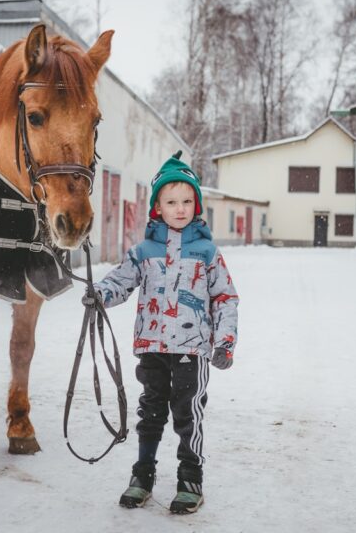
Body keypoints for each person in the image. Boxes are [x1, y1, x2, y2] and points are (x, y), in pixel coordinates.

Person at [85, 151, 239, 514]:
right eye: (171, 202)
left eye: (187, 201)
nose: (180, 208)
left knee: (188, 413)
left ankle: (190, 477)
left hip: (193, 349)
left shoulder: (207, 252)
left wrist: (226, 341)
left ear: (196, 205)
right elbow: (122, 282)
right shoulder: (144, 251)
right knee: (151, 411)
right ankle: (143, 474)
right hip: (152, 346)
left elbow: (225, 297)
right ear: (157, 207)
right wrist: (100, 294)